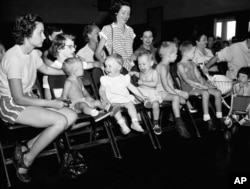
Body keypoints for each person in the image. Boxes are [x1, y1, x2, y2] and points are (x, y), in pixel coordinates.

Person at [0, 13, 77, 183]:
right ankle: (26, 160)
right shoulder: (14, 58)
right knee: (59, 121)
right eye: (40, 33)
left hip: (29, 99)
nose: (44, 36)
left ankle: (27, 145)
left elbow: (47, 70)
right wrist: (51, 103)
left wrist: (72, 72)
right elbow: (18, 98)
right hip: (11, 104)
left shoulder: (34, 53)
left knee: (71, 116)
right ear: (27, 34)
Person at [177, 41, 224, 130]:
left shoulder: (192, 64)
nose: (194, 54)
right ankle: (207, 119)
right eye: (193, 52)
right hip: (189, 88)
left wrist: (206, 83)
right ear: (186, 53)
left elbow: (199, 77)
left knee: (218, 92)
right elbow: (187, 80)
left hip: (198, 86)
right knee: (205, 93)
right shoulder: (180, 65)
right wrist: (201, 86)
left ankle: (219, 117)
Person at [99, 53, 147, 135]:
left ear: (119, 67)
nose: (107, 68)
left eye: (110, 66)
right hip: (112, 100)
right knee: (115, 109)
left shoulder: (124, 78)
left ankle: (134, 122)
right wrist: (105, 99)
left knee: (130, 104)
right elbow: (101, 91)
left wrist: (142, 96)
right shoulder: (105, 79)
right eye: (106, 66)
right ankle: (123, 125)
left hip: (124, 99)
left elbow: (133, 88)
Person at [61, 57, 115, 122]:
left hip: (84, 101)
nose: (83, 69)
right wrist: (68, 104)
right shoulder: (68, 82)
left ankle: (107, 109)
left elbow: (84, 91)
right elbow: (64, 96)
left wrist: (89, 97)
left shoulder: (79, 80)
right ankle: (94, 114)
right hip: (75, 105)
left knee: (97, 102)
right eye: (82, 68)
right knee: (83, 105)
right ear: (74, 71)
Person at [155, 42, 191, 138]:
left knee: (186, 95)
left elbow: (170, 84)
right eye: (175, 53)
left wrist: (178, 92)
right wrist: (177, 94)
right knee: (177, 98)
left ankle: (172, 114)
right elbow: (165, 86)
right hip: (160, 92)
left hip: (168, 90)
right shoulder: (162, 67)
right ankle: (179, 124)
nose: (177, 55)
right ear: (168, 55)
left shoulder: (167, 65)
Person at [95, 0, 136, 72]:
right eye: (123, 13)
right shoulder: (108, 29)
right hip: (116, 70)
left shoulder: (130, 30)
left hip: (131, 69)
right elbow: (97, 53)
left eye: (128, 13)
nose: (126, 16)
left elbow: (129, 53)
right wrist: (108, 65)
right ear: (116, 13)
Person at [130, 51, 162, 135]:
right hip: (142, 93)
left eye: (144, 64)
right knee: (135, 92)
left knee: (156, 104)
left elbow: (154, 83)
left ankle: (155, 123)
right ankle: (136, 120)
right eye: (139, 64)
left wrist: (143, 83)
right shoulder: (141, 72)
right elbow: (139, 75)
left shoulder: (154, 72)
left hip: (151, 93)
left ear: (151, 63)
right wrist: (134, 73)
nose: (141, 67)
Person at [43, 33, 76, 99]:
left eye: (74, 46)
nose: (74, 50)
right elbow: (49, 99)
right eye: (70, 47)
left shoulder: (75, 67)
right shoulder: (50, 72)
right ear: (59, 48)